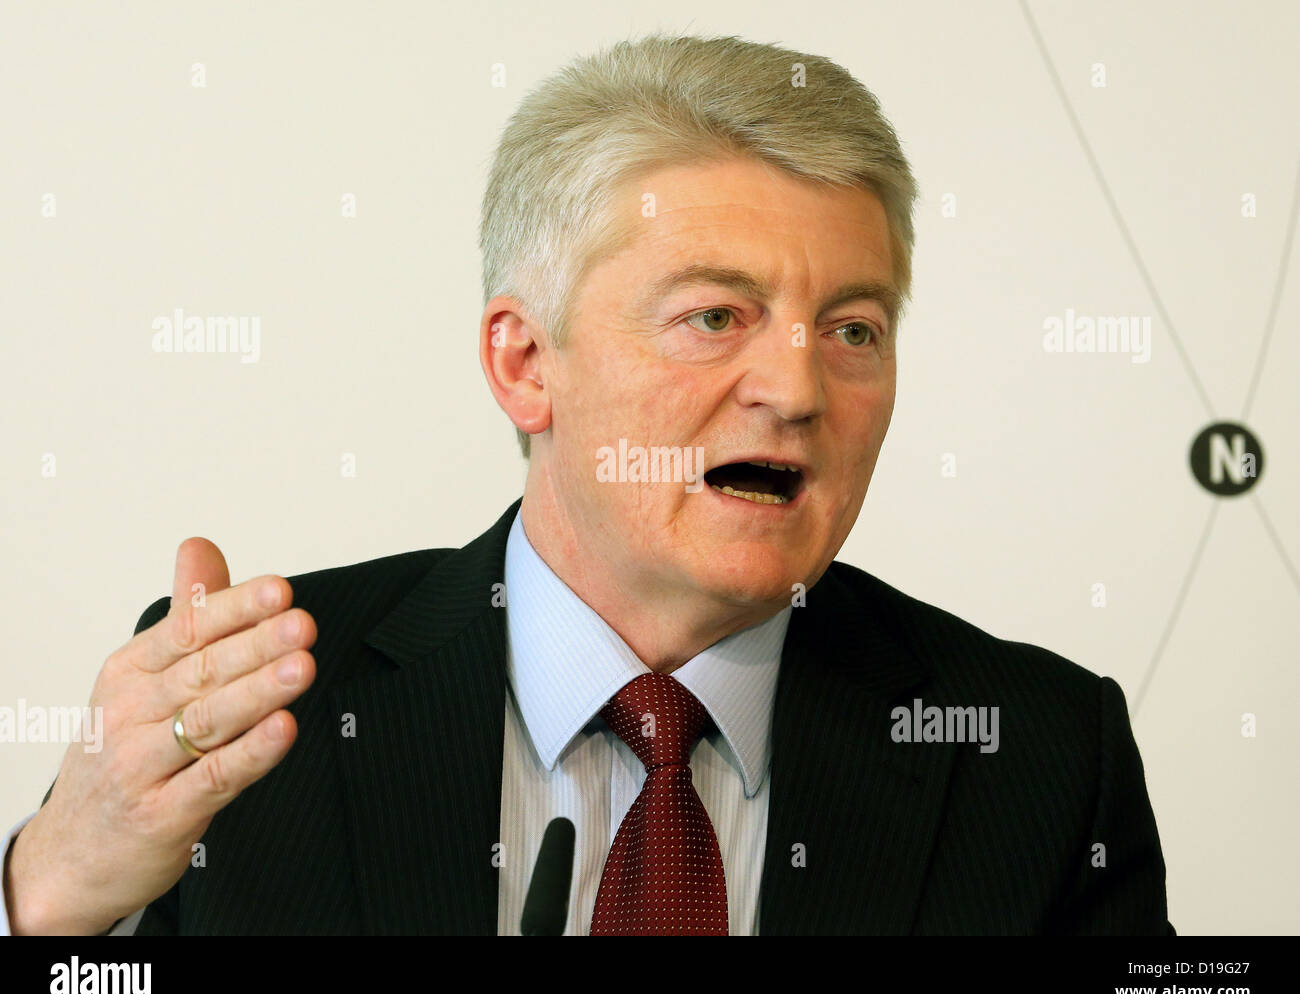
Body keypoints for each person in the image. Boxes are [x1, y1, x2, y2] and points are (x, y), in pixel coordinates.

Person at [1, 32, 1172, 936]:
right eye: (716, 316)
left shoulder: (1037, 756)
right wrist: (54, 895)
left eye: (853, 328)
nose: (797, 387)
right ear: (525, 362)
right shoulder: (252, 720)